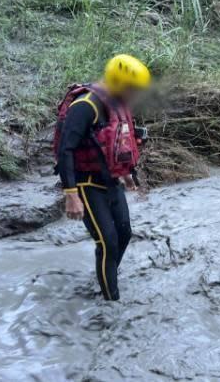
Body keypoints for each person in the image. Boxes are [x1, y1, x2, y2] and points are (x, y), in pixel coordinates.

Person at [53, 54, 151, 300]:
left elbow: (118, 141)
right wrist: (71, 195)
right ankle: (110, 303)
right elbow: (65, 150)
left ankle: (106, 276)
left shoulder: (116, 103)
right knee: (107, 242)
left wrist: (127, 175)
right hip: (86, 184)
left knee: (124, 233)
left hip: (110, 179)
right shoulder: (85, 106)